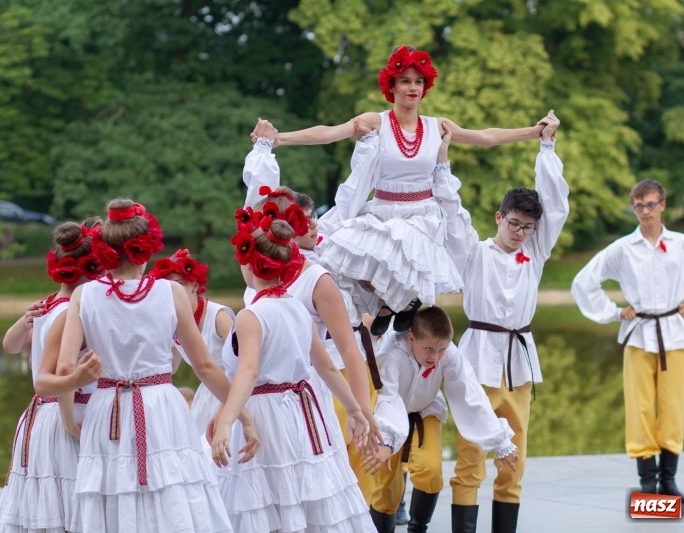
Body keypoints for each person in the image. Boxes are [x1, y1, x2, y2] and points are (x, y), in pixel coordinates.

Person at [258, 45, 551, 334]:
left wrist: (533, 131)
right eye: (406, 81)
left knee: (405, 243)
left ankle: (406, 300)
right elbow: (328, 133)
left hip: (422, 216)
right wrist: (281, 139)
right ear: (392, 85)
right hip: (383, 210)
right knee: (341, 252)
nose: (413, 88)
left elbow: (486, 137)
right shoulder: (377, 121)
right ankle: (394, 302)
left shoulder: (437, 127)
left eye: (419, 81)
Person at [53, 198, 259, 532]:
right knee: (172, 494)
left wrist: (69, 415)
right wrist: (242, 415)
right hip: (161, 405)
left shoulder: (84, 295)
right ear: (146, 248)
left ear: (105, 249)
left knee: (113, 495)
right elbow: (204, 366)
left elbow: (65, 371)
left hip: (107, 409)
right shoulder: (172, 292)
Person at [433, 112, 567, 533]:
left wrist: (546, 148)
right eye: (514, 224)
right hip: (478, 358)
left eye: (528, 227)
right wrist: (442, 161)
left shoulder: (537, 252)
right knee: (471, 451)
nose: (521, 233)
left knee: (516, 455)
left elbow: (557, 205)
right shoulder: (476, 253)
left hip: (519, 361)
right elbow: (452, 216)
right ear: (498, 217)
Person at [241, 136, 385, 501]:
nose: (308, 225)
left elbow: (348, 352)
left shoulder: (317, 278)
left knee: (309, 494)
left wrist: (363, 413)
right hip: (255, 398)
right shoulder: (254, 273)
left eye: (307, 219)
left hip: (303, 391)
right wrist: (262, 150)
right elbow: (252, 208)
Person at [210, 217, 376, 532]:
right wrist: (354, 409)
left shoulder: (251, 315)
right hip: (302, 413)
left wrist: (227, 420)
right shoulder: (296, 308)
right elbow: (325, 366)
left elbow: (248, 372)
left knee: (266, 505)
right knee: (301, 498)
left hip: (265, 415)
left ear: (250, 265)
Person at [571, 180, 684, 497]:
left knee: (673, 407)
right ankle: (647, 483)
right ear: (634, 208)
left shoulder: (682, 245)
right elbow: (584, 282)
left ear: (663, 205)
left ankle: (668, 480)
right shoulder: (622, 249)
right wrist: (614, 312)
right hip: (639, 336)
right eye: (640, 206)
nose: (646, 211)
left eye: (651, 204)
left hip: (675, 334)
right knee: (640, 409)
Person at [364, 306, 520, 533]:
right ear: (411, 338)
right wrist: (386, 442)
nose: (435, 357)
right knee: (386, 490)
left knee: (431, 472)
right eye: (429, 349)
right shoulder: (391, 355)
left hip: (425, 412)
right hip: (387, 419)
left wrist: (501, 441)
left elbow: (471, 394)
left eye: (441, 350)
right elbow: (387, 399)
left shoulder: (450, 355)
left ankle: (417, 529)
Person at [0, 220, 104, 533]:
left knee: (53, 503)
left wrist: (25, 320)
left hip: (41, 415)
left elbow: (10, 346)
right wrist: (70, 420)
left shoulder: (48, 304)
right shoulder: (72, 311)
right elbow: (61, 370)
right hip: (67, 410)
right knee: (72, 505)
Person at [149, 249, 235, 434]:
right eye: (166, 285)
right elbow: (169, 368)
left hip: (233, 390)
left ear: (195, 285)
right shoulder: (174, 322)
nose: (172, 291)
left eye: (178, 284)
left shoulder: (219, 317)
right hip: (207, 395)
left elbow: (246, 361)